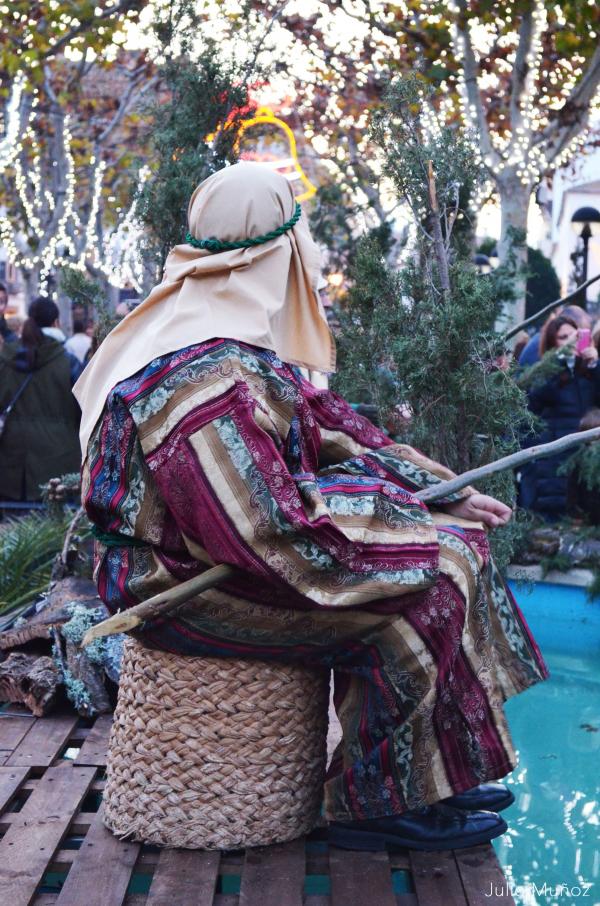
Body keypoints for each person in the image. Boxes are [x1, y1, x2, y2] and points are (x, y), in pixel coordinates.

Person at [75, 163, 547, 852]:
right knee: (436, 579)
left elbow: (332, 426)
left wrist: (441, 493)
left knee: (450, 548)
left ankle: (431, 773)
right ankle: (381, 803)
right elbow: (268, 535)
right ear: (276, 250)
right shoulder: (200, 378)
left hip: (228, 555)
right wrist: (411, 535)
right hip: (177, 585)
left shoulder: (229, 342)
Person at [0, 297, 82, 501]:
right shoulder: (67, 362)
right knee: (53, 530)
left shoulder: (6, 359)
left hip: (11, 463)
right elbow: (85, 407)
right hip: (60, 462)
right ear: (56, 322)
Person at [519, 315, 600, 517]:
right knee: (554, 512)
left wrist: (595, 365)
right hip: (556, 451)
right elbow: (535, 398)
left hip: (585, 452)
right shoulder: (543, 371)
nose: (570, 342)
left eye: (575, 336)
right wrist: (557, 363)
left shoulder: (587, 369)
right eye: (563, 337)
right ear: (552, 343)